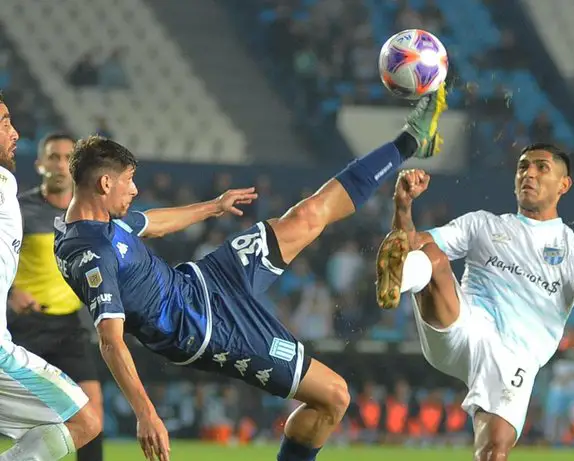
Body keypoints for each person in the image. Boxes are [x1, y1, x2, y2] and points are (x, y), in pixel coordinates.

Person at [53, 86, 448, 461]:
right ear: (105, 182)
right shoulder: (93, 252)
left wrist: (214, 206)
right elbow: (110, 340)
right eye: (128, 181)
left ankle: (411, 139)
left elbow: (151, 223)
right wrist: (145, 413)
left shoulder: (101, 221)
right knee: (334, 396)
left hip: (205, 280)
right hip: (206, 326)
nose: (134, 189)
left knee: (307, 215)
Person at [375, 143, 574, 460]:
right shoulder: (482, 224)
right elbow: (406, 245)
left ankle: (400, 279)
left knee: (493, 451)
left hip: (515, 357)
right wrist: (402, 206)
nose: (529, 174)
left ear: (564, 185)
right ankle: (397, 281)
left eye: (542, 167)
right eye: (523, 166)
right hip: (463, 327)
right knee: (429, 255)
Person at [0, 97, 101, 461]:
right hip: (25, 326)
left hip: (68, 326)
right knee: (84, 421)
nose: (15, 133)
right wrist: (13, 292)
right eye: (5, 122)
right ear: (42, 163)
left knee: (90, 419)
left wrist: (212, 207)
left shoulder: (87, 214)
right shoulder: (20, 203)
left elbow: (148, 225)